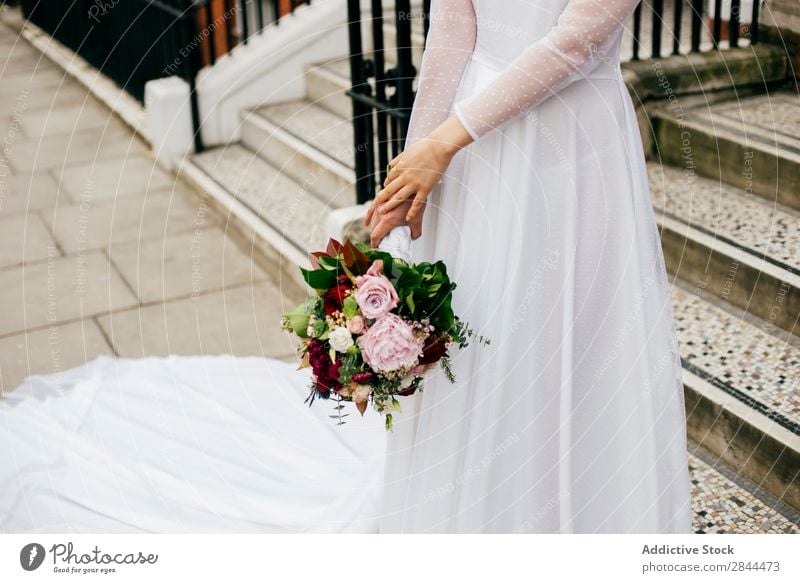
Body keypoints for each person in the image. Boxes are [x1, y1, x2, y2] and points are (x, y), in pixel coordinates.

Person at [367, 0, 693, 533]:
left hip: (568, 141)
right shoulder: (444, 145)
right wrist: (413, 167)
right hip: (471, 148)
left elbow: (577, 42)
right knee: (477, 323)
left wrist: (445, 141)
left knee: (563, 335)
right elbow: (452, 26)